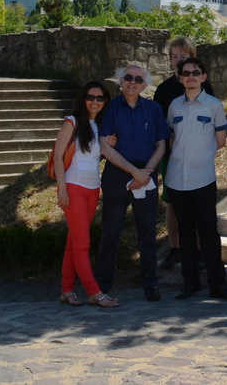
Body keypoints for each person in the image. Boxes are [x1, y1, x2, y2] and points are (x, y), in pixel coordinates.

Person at [165, 56, 227, 301]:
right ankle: (190, 283)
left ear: (203, 77)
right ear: (181, 78)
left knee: (208, 232)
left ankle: (218, 285)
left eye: (196, 73)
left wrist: (199, 156)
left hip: (203, 177)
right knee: (185, 232)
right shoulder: (174, 106)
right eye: (186, 73)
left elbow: (220, 142)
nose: (191, 77)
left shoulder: (214, 105)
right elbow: (172, 138)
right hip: (176, 178)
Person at [95, 63, 167, 302]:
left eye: (138, 79)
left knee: (147, 233)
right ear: (120, 81)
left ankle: (150, 284)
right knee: (110, 233)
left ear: (144, 85)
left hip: (146, 174)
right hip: (117, 175)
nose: (132, 82)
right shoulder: (110, 109)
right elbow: (104, 146)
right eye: (128, 77)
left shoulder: (154, 110)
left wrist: (144, 172)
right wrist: (134, 172)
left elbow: (161, 145)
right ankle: (103, 284)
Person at [152, 37, 217, 270]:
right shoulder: (164, 90)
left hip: (199, 157)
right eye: (175, 55)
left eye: (184, 55)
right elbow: (158, 124)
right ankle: (175, 248)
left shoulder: (205, 87)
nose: (179, 59)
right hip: (172, 156)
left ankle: (199, 251)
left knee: (199, 206)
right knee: (173, 203)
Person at [53, 80, 115, 307]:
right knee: (82, 244)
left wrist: (111, 142)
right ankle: (95, 292)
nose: (95, 102)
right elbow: (58, 156)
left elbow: (96, 157)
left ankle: (66, 290)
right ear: (83, 98)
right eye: (91, 97)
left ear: (105, 101)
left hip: (92, 189)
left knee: (73, 242)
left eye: (100, 98)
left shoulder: (100, 125)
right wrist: (63, 189)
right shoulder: (72, 122)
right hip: (73, 189)